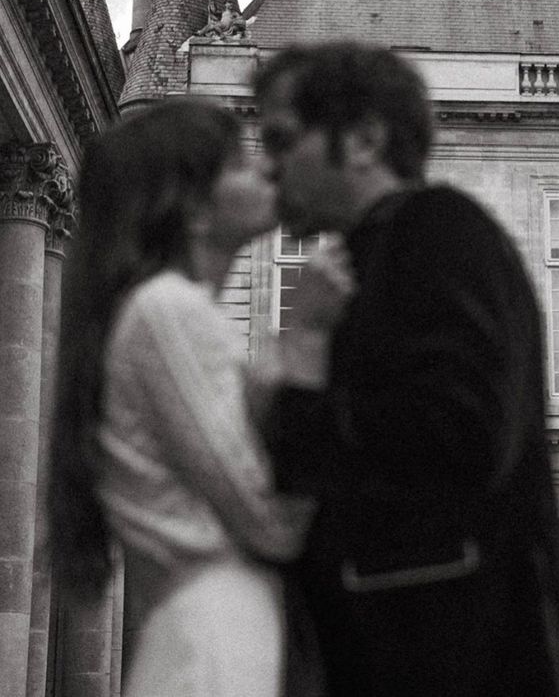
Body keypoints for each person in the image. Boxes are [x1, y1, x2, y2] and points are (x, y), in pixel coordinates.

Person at [254, 41, 559, 697]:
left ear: (363, 140)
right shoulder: (382, 246)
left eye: (283, 139)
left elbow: (454, 436)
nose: (269, 168)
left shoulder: (437, 229)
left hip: (445, 654)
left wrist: (294, 388)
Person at [47, 98, 351, 697]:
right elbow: (271, 522)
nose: (266, 170)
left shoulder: (166, 311)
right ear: (191, 209)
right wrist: (306, 339)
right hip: (219, 639)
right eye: (239, 162)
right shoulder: (170, 310)